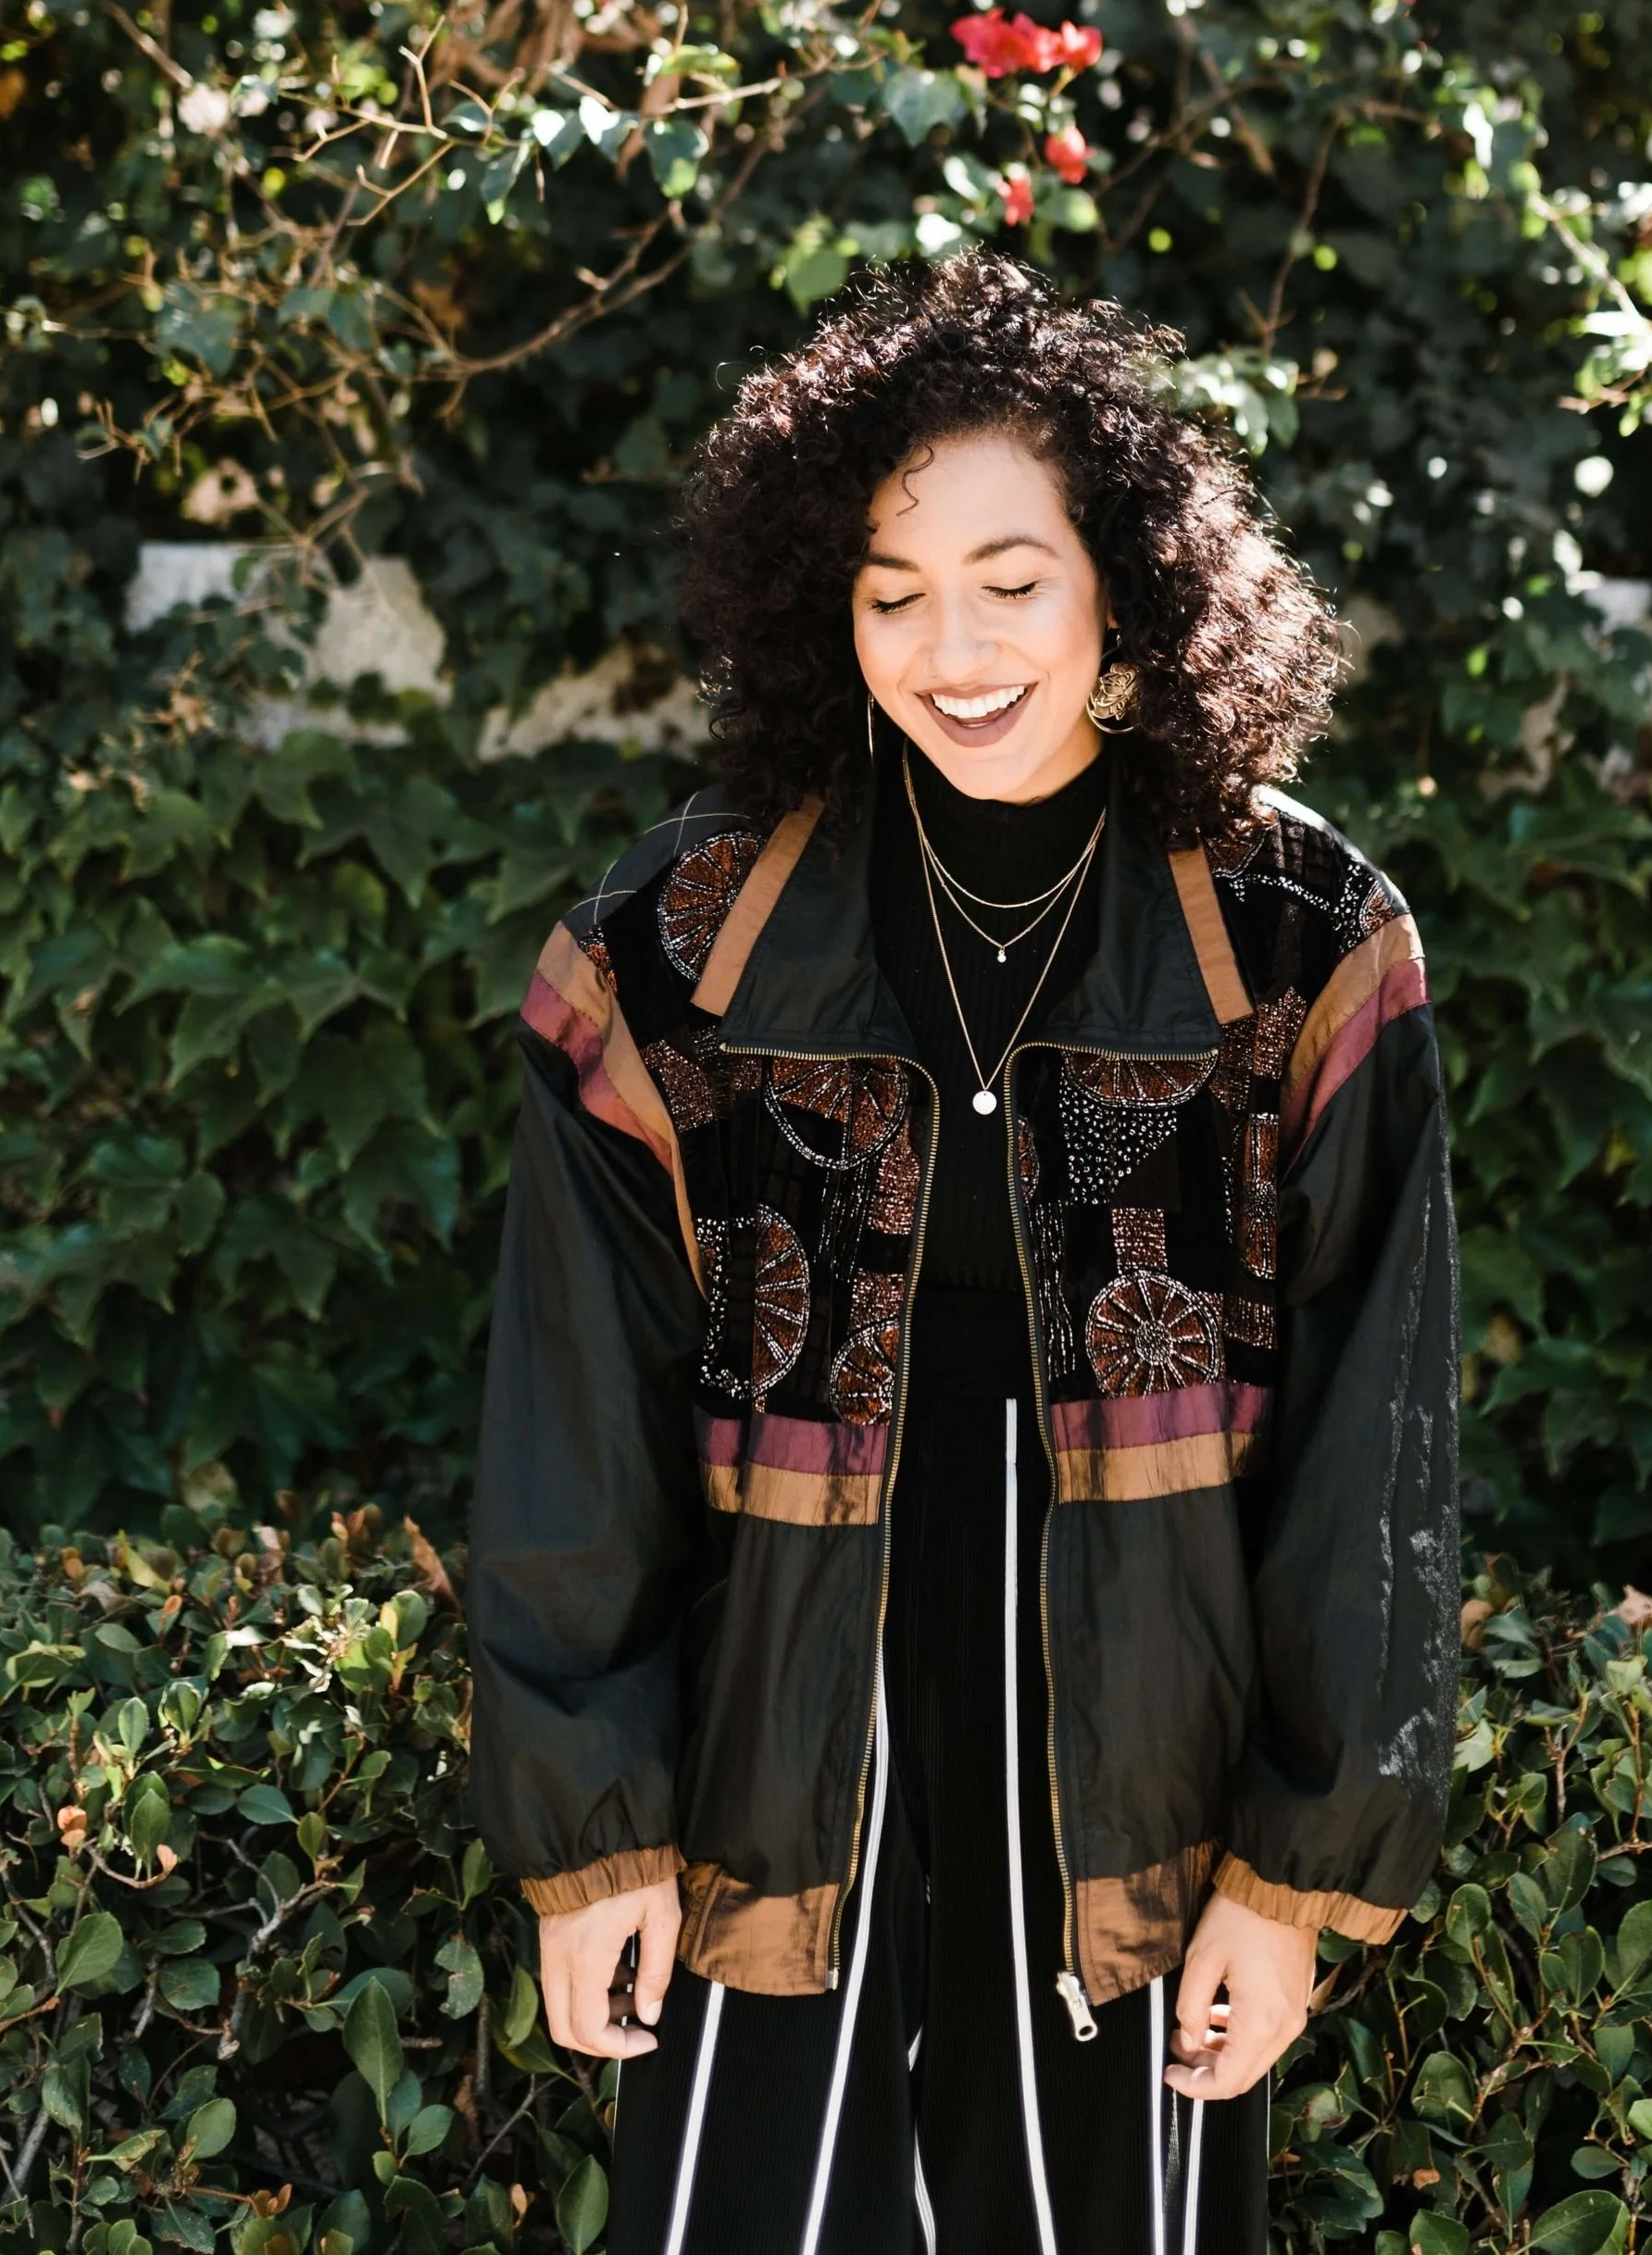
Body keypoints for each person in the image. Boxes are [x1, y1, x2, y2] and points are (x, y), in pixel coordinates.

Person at [465, 250, 1462, 2255]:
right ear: (821, 615)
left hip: (1141, 1760)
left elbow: (1379, 1438)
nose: (955, 643)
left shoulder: (1296, 935)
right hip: (776, 1734)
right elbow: (578, 1398)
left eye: (1012, 575)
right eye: (891, 589)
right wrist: (594, 1833)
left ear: (1127, 586)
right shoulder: (680, 939)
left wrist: (1291, 1871)